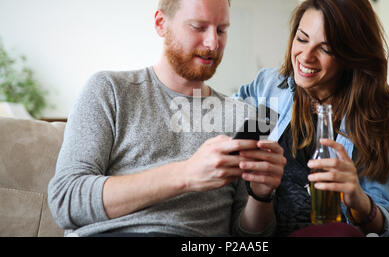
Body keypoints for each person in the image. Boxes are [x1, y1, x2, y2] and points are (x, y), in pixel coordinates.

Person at [48, 0, 286, 237]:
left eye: (221, 30)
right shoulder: (109, 90)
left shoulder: (242, 116)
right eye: (198, 27)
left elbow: (248, 239)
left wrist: (260, 195)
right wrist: (185, 174)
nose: (213, 43)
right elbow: (66, 200)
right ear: (161, 23)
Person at [234, 0, 389, 237]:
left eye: (326, 48)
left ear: (351, 55)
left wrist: (358, 201)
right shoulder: (270, 89)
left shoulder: (376, 117)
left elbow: (382, 224)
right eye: (302, 38)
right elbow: (221, 118)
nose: (306, 56)